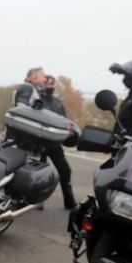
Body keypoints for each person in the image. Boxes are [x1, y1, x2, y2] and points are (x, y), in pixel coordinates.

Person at [40, 75, 76, 209]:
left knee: (65, 171)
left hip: (55, 143)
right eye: (48, 85)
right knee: (41, 174)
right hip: (40, 144)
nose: (50, 88)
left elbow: (64, 120)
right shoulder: (37, 101)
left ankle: (69, 202)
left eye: (52, 85)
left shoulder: (58, 103)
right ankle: (38, 201)